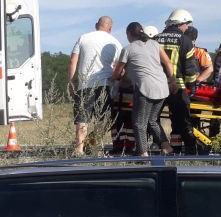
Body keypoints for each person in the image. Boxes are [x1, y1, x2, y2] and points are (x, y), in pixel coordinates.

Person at [113, 22, 176, 157]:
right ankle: (167, 147)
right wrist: (173, 81)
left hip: (145, 88)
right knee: (152, 120)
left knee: (138, 122)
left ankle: (143, 153)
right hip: (163, 87)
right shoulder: (155, 45)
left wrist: (122, 75)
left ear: (129, 34)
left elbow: (116, 74)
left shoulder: (128, 49)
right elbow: (168, 63)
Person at [68, 16, 122, 156]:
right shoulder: (115, 42)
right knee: (103, 120)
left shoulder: (83, 38)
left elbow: (73, 61)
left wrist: (72, 82)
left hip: (84, 85)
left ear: (96, 25)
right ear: (110, 28)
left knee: (82, 119)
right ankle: (92, 145)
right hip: (105, 85)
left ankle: (79, 149)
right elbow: (119, 67)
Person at [155, 9, 200, 154]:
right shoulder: (185, 41)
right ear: (181, 23)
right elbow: (190, 68)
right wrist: (192, 86)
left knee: (152, 119)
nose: (187, 28)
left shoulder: (155, 39)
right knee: (183, 120)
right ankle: (191, 149)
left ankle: (163, 144)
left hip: (156, 86)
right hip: (178, 88)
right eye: (186, 24)